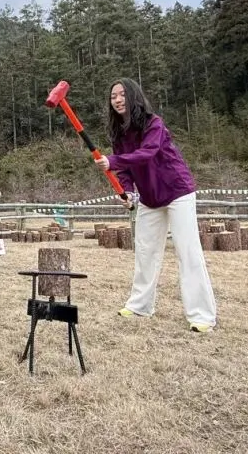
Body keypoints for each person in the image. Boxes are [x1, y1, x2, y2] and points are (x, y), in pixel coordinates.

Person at [94, 78, 217, 333]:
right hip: (149, 198)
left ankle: (202, 316)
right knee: (145, 252)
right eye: (113, 96)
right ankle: (140, 306)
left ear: (133, 96)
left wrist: (112, 161)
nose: (117, 100)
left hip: (177, 191)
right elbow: (126, 169)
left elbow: (147, 153)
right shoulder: (118, 133)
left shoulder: (154, 124)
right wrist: (127, 191)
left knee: (188, 252)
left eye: (122, 94)